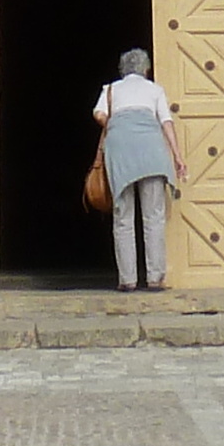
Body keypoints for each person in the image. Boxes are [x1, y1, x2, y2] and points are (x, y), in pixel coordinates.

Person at [92, 48, 186, 291]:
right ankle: (155, 278)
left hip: (120, 151)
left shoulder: (111, 89)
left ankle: (127, 280)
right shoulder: (154, 90)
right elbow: (166, 122)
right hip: (151, 152)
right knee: (153, 216)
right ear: (146, 69)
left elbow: (99, 113)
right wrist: (177, 156)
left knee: (123, 218)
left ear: (123, 70)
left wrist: (116, 124)